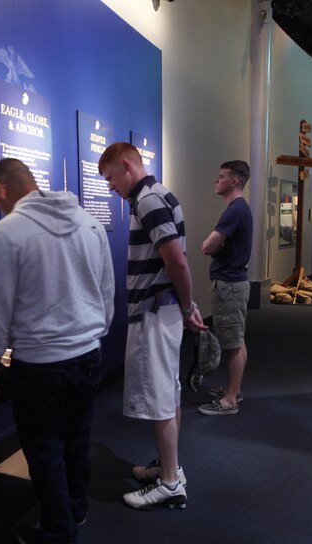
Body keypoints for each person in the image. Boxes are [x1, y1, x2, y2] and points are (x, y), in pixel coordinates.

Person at [0, 158, 115, 544]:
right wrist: (93, 334)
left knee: (44, 449)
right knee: (76, 438)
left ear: (2, 191)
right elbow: (107, 291)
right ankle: (76, 509)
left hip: (39, 362)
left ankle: (59, 536)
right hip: (88, 353)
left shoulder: (7, 233)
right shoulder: (90, 224)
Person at [97, 142, 206, 511]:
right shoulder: (161, 195)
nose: (110, 186)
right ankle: (168, 466)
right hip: (165, 309)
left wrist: (188, 304)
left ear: (127, 165)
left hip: (155, 311)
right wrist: (185, 306)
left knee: (160, 397)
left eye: (111, 177)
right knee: (169, 392)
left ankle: (171, 483)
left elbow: (177, 263)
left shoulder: (147, 200)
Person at [198, 160, 252, 417]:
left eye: (221, 176)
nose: (215, 180)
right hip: (234, 283)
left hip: (229, 285)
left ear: (235, 181)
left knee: (232, 343)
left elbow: (207, 246)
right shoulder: (239, 209)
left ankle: (230, 400)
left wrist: (216, 247)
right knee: (236, 341)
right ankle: (234, 389)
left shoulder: (235, 210)